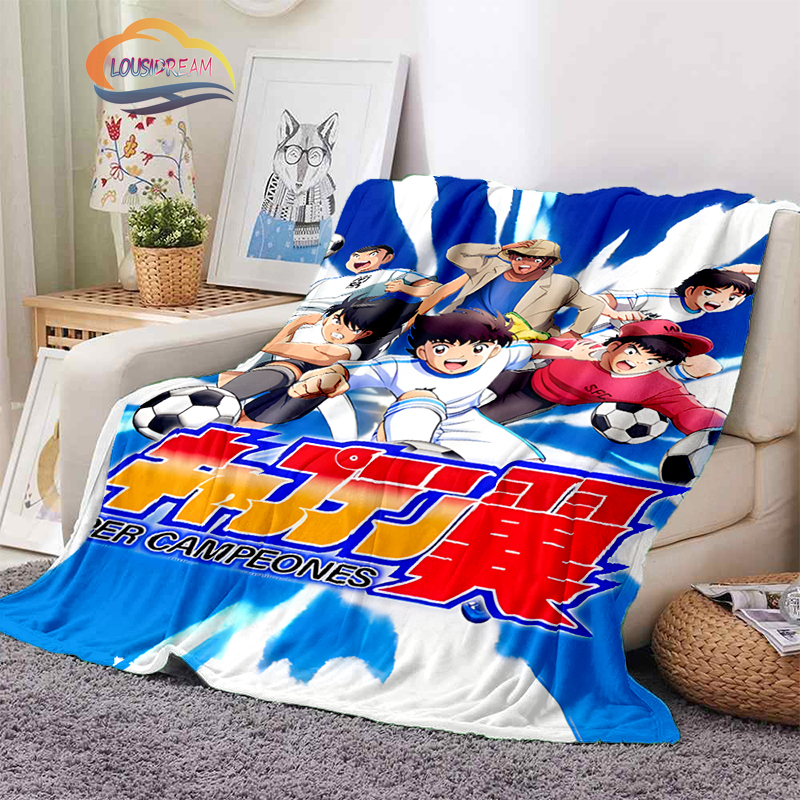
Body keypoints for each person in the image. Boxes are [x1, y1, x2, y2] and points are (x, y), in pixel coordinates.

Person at [288, 310, 599, 466]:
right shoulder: (401, 367)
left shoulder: (496, 358)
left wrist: (571, 353)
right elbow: (352, 371)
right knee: (423, 397)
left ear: (491, 350)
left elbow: (534, 349)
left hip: (464, 421)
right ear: (423, 351)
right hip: (410, 420)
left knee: (527, 464)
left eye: (476, 349)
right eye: (442, 349)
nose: (459, 357)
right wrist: (330, 376)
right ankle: (401, 454)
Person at [479, 319, 727, 436]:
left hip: (538, 398)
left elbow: (686, 409)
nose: (638, 363)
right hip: (520, 375)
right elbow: (536, 345)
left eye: (653, 362)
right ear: (615, 345)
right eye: (633, 352)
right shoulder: (585, 350)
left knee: (483, 420)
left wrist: (709, 426)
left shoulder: (655, 386)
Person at [220, 294, 411, 425]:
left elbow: (275, 348)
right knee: (284, 371)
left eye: (352, 329)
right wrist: (297, 324)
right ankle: (222, 396)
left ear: (365, 334)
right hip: (277, 369)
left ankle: (241, 423)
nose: (338, 329)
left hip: (307, 378)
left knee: (300, 382)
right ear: (328, 316)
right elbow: (273, 348)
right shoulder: (311, 329)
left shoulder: (347, 350)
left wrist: (297, 325)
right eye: (336, 320)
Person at [417, 239, 625, 338]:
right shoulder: (491, 265)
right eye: (518, 257)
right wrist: (500, 249)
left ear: (547, 262)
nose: (524, 262)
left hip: (505, 339)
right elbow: (455, 253)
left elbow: (592, 306)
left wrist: (575, 333)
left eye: (535, 259)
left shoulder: (561, 284)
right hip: (457, 325)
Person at [589, 267, 757, 379]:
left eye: (732, 298)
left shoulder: (698, 310)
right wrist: (615, 313)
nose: (720, 301)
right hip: (607, 339)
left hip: (646, 352)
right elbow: (598, 300)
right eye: (709, 293)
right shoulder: (655, 298)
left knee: (707, 366)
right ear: (691, 290)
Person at [295, 244, 439, 320]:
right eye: (355, 256)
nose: (360, 259)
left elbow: (435, 287)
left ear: (387, 258)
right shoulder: (329, 281)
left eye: (373, 254)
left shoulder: (394, 274)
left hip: (350, 323)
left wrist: (406, 288)